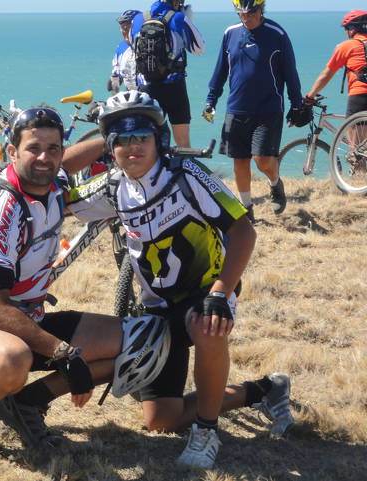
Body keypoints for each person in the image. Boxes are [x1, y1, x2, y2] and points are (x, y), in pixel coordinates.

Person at [65, 90, 295, 469]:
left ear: (159, 139)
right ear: (110, 147)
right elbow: (55, 185)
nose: (133, 146)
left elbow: (243, 231)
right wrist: (102, 138)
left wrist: (220, 292)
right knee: (161, 421)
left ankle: (206, 431)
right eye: (122, 139)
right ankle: (265, 389)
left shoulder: (187, 174)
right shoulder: (112, 186)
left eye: (142, 136)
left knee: (207, 325)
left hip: (206, 291)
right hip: (157, 308)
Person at [0, 106, 128, 449]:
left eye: (53, 149)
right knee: (12, 360)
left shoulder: (51, 184)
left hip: (24, 318)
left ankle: (25, 403)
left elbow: (67, 164)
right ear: (12, 152)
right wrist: (64, 354)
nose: (44, 158)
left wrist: (111, 138)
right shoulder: (4, 208)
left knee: (133, 340)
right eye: (33, 148)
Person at [203, 0, 306, 223]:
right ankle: (247, 209)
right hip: (236, 108)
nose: (245, 17)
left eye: (250, 13)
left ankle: (275, 183)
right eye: (241, 13)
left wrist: (296, 103)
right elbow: (221, 69)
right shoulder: (230, 33)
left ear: (260, 10)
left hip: (268, 109)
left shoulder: (277, 33)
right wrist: (211, 100)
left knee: (262, 160)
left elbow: (290, 70)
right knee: (240, 162)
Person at [130, 0, 205, 147]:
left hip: (146, 88)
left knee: (148, 141)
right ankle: (183, 162)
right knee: (183, 143)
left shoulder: (139, 19)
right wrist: (187, 20)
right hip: (173, 87)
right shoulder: (178, 18)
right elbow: (199, 49)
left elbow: (134, 48)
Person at [305, 10, 367, 117]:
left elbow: (326, 75)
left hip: (360, 95)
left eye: (346, 29)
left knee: (354, 128)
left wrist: (310, 97)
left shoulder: (347, 46)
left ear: (352, 29)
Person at [108, 10, 141, 94]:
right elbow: (116, 74)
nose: (125, 31)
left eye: (128, 27)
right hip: (131, 94)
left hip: (149, 95)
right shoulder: (121, 47)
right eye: (123, 27)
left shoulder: (149, 46)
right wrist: (115, 88)